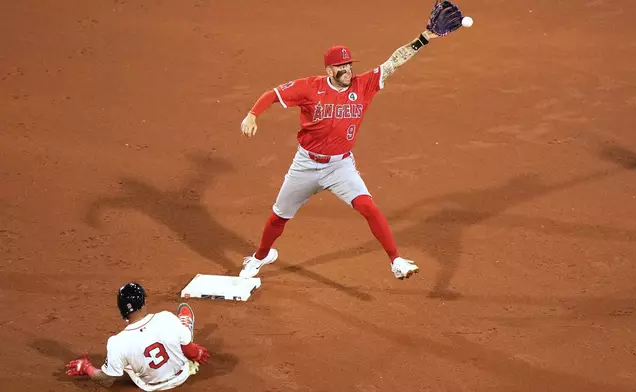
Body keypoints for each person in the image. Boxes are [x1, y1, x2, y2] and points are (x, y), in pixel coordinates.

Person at [239, 24, 455, 280]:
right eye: (342, 66)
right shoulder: (309, 87)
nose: (348, 70)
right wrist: (252, 114)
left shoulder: (362, 85)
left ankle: (396, 260)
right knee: (279, 216)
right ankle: (260, 257)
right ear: (329, 70)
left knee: (368, 207)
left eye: (350, 65)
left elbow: (393, 62)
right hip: (306, 164)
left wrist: (423, 39)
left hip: (340, 166)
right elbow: (272, 94)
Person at [65, 282, 210, 391]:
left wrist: (87, 368)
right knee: (178, 334)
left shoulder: (117, 342)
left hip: (151, 386)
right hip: (182, 375)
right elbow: (191, 352)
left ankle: (182, 330)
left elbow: (106, 380)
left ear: (121, 311)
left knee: (124, 361)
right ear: (145, 301)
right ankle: (185, 326)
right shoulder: (166, 317)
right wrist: (196, 353)